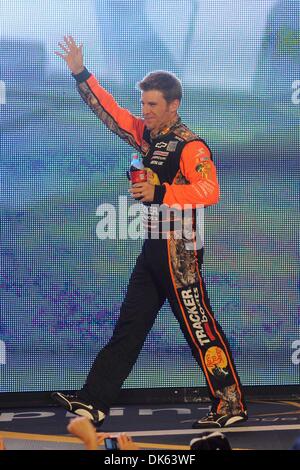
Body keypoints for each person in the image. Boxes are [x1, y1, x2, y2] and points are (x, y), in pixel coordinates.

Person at [52, 36, 247, 429]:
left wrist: (161, 190)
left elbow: (211, 191)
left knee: (199, 328)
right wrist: (80, 73)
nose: (145, 111)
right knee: (130, 325)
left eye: (152, 105)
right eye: (143, 104)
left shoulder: (191, 146)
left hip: (181, 252)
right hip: (153, 247)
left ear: (173, 106)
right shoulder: (147, 136)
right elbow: (113, 114)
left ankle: (231, 405)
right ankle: (94, 403)